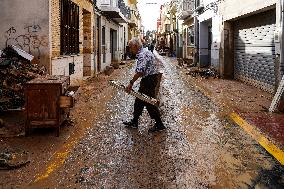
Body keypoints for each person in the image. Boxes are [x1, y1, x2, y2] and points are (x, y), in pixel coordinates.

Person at [123, 37, 166, 133]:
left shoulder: (142, 55)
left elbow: (140, 72)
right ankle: (134, 121)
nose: (130, 50)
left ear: (135, 46)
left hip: (149, 79)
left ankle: (159, 124)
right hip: (149, 78)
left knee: (149, 101)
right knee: (139, 100)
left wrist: (131, 83)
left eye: (131, 47)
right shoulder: (145, 52)